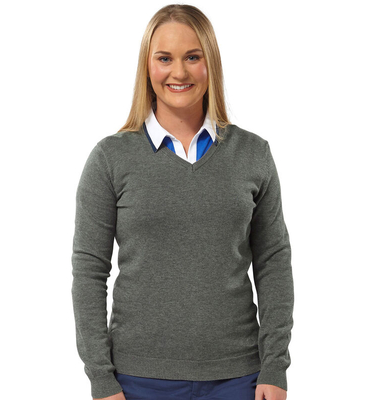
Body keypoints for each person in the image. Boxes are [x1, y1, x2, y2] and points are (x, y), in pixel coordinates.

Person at [71, 4, 294, 400]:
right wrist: (101, 379)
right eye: (164, 58)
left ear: (211, 64)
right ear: (147, 67)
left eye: (193, 57)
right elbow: (89, 271)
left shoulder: (252, 154)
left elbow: (273, 262)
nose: (179, 72)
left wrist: (275, 367)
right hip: (136, 379)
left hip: (239, 377)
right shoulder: (110, 158)